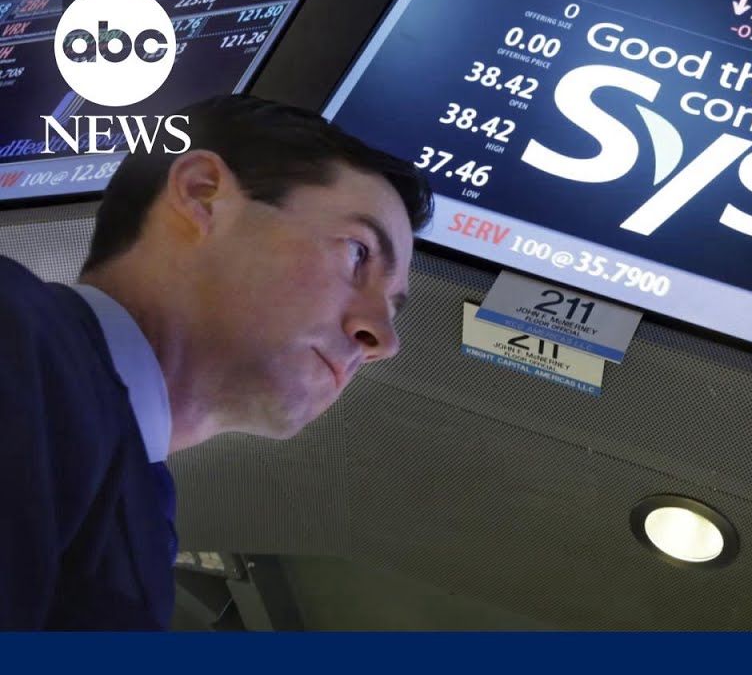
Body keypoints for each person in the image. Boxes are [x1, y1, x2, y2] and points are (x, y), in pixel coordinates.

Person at [0, 94, 432, 630]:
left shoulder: (138, 516)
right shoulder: (17, 335)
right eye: (357, 252)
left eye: (392, 307)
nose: (383, 340)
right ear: (202, 193)